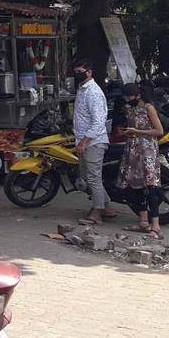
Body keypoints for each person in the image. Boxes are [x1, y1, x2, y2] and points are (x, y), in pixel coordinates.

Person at [115, 82, 165, 238]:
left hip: (147, 151)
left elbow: (159, 130)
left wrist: (137, 131)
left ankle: (155, 226)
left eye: (130, 96)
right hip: (132, 149)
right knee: (134, 186)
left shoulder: (148, 108)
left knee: (151, 188)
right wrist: (124, 132)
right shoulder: (129, 108)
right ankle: (143, 221)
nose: (128, 99)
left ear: (138, 95)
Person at [72, 57, 115, 226]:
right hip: (82, 139)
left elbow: (98, 121)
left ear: (89, 72)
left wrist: (84, 142)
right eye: (75, 72)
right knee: (87, 177)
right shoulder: (81, 90)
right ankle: (105, 206)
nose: (77, 75)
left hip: (93, 141)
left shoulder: (94, 92)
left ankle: (97, 212)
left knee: (93, 177)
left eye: (79, 72)